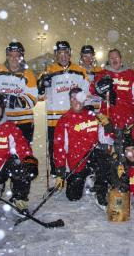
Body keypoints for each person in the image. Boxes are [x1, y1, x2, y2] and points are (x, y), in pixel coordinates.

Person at [53, 87, 113, 209]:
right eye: (72, 98)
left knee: (104, 158)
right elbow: (59, 147)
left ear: (84, 99)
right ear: (69, 100)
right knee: (73, 196)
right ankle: (86, 178)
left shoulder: (93, 116)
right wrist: (60, 171)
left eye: (78, 98)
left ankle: (100, 192)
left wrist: (107, 126)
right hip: (76, 163)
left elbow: (106, 139)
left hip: (92, 157)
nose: (76, 101)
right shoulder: (64, 120)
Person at [37, 41, 89, 175]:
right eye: (60, 53)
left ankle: (75, 171)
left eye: (66, 53)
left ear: (70, 54)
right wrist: (41, 86)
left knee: (75, 146)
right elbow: (40, 96)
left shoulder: (80, 71)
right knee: (55, 148)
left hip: (74, 117)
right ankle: (56, 173)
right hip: (55, 118)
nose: (63, 56)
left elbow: (87, 93)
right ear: (56, 55)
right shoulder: (48, 71)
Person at [92, 48, 134, 158]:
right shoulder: (103, 74)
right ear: (108, 60)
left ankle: (125, 173)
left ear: (121, 59)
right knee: (108, 153)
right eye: (111, 58)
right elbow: (92, 91)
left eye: (116, 57)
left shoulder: (131, 75)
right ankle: (110, 173)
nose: (114, 60)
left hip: (127, 120)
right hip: (108, 120)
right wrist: (99, 90)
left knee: (126, 151)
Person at [0, 92, 38, 212]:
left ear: (2, 109)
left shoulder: (10, 128)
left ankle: (19, 199)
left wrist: (30, 162)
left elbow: (23, 148)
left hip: (3, 168)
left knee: (21, 166)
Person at [0, 42, 38, 143]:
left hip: (24, 123)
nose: (14, 58)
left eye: (17, 56)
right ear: (7, 56)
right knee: (2, 154)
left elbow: (32, 100)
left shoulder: (28, 74)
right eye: (11, 55)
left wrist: (9, 100)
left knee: (24, 154)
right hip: (2, 120)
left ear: (22, 57)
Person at [79, 45, 103, 113]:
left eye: (90, 56)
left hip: (97, 105)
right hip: (82, 106)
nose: (88, 59)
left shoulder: (100, 71)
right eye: (85, 56)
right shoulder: (77, 71)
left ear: (93, 56)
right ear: (81, 56)